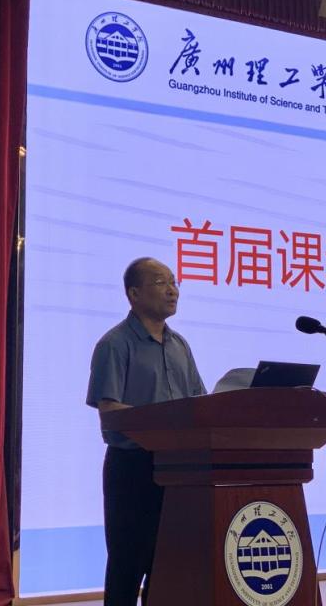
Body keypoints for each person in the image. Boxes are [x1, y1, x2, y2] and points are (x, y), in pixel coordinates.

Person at [86, 257, 207, 606]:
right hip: (132, 468)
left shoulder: (180, 345)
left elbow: (199, 404)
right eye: (160, 282)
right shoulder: (115, 343)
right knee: (127, 564)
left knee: (168, 564)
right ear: (134, 293)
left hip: (177, 471)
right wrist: (162, 418)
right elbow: (109, 411)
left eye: (174, 282)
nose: (172, 290)